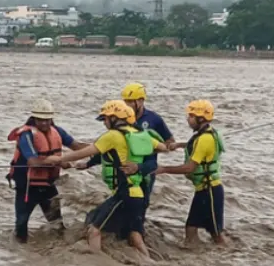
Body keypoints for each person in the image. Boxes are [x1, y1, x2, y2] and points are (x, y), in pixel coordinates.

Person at [43, 100, 168, 257]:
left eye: (105, 119)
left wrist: (57, 160)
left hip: (124, 194)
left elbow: (87, 151)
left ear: (114, 118)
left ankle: (96, 263)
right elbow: (163, 147)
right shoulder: (139, 135)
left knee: (94, 230)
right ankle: (150, 264)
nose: (104, 123)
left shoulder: (113, 136)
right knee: (135, 235)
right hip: (139, 194)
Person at [80, 82, 175, 213]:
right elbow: (110, 147)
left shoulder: (154, 119)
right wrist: (89, 163)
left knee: (140, 208)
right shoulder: (121, 117)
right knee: (121, 206)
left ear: (141, 101)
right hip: (123, 172)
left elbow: (169, 142)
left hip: (146, 169)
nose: (126, 104)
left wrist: (150, 147)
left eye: (130, 101)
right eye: (125, 101)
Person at [6, 98, 90, 243]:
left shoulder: (57, 130)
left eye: (47, 120)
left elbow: (76, 146)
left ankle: (58, 250)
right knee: (21, 224)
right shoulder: (26, 134)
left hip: (48, 186)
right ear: (34, 118)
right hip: (27, 187)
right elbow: (33, 162)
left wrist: (100, 149)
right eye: (40, 120)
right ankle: (21, 255)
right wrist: (60, 161)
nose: (44, 123)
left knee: (57, 224)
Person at [155, 99, 226, 246]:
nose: (188, 119)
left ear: (201, 118)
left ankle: (228, 258)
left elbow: (190, 168)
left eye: (191, 116)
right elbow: (195, 146)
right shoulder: (205, 134)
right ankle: (196, 259)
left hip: (211, 191)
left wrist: (164, 169)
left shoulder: (205, 138)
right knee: (191, 228)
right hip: (203, 190)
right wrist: (179, 145)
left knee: (216, 235)